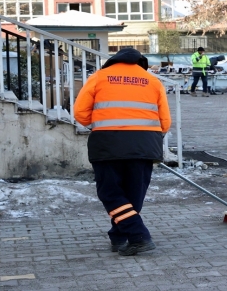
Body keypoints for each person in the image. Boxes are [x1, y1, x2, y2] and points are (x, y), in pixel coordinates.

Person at [73, 48, 171, 255]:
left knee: (110, 192)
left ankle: (138, 236)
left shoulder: (99, 77)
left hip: (108, 142)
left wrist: (104, 122)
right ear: (140, 63)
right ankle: (119, 237)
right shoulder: (152, 80)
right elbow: (165, 123)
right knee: (133, 193)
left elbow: (80, 114)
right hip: (145, 143)